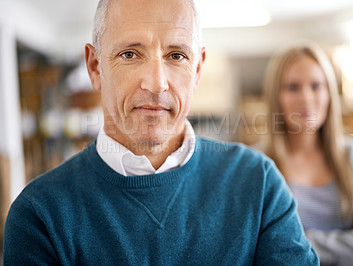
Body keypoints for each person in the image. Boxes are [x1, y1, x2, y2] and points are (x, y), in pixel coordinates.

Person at [3, 0, 319, 264]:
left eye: (176, 55)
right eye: (130, 54)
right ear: (96, 67)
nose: (156, 83)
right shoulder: (40, 216)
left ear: (197, 70)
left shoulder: (258, 184)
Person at [262, 41, 353, 265]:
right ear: (276, 96)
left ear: (330, 94)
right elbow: (258, 248)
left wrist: (298, 241)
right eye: (293, 87)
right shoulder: (258, 163)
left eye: (316, 86)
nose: (306, 98)